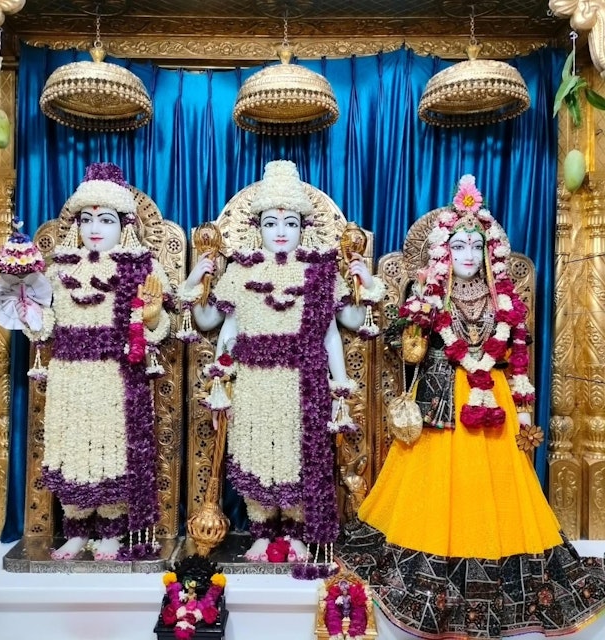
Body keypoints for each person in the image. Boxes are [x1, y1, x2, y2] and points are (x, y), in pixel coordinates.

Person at [337, 174, 605, 638]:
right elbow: (404, 349)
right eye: (457, 246)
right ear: (443, 252)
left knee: (494, 494)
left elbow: (517, 355)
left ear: (486, 253)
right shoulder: (427, 295)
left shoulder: (505, 301)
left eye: (474, 246)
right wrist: (416, 320)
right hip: (443, 405)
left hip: (493, 405)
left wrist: (520, 405)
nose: (465, 254)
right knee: (436, 493)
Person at [177, 160, 384, 562]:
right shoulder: (241, 272)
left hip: (302, 381)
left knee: (296, 455)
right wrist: (195, 280)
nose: (281, 232)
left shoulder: (320, 273)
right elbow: (215, 324)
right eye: (271, 223)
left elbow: (345, 325)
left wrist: (365, 281)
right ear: (258, 228)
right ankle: (261, 530)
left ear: (303, 227)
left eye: (290, 223)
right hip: (253, 380)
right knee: (255, 451)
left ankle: (294, 532)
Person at [18, 162, 173, 560]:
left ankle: (111, 530)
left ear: (125, 225)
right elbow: (45, 327)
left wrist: (151, 317)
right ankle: (75, 528)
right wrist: (28, 312)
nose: (94, 228)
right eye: (86, 219)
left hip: (115, 376)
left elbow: (160, 327)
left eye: (105, 220)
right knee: (72, 449)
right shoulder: (58, 270)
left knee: (111, 450)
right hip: (69, 375)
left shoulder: (141, 267)